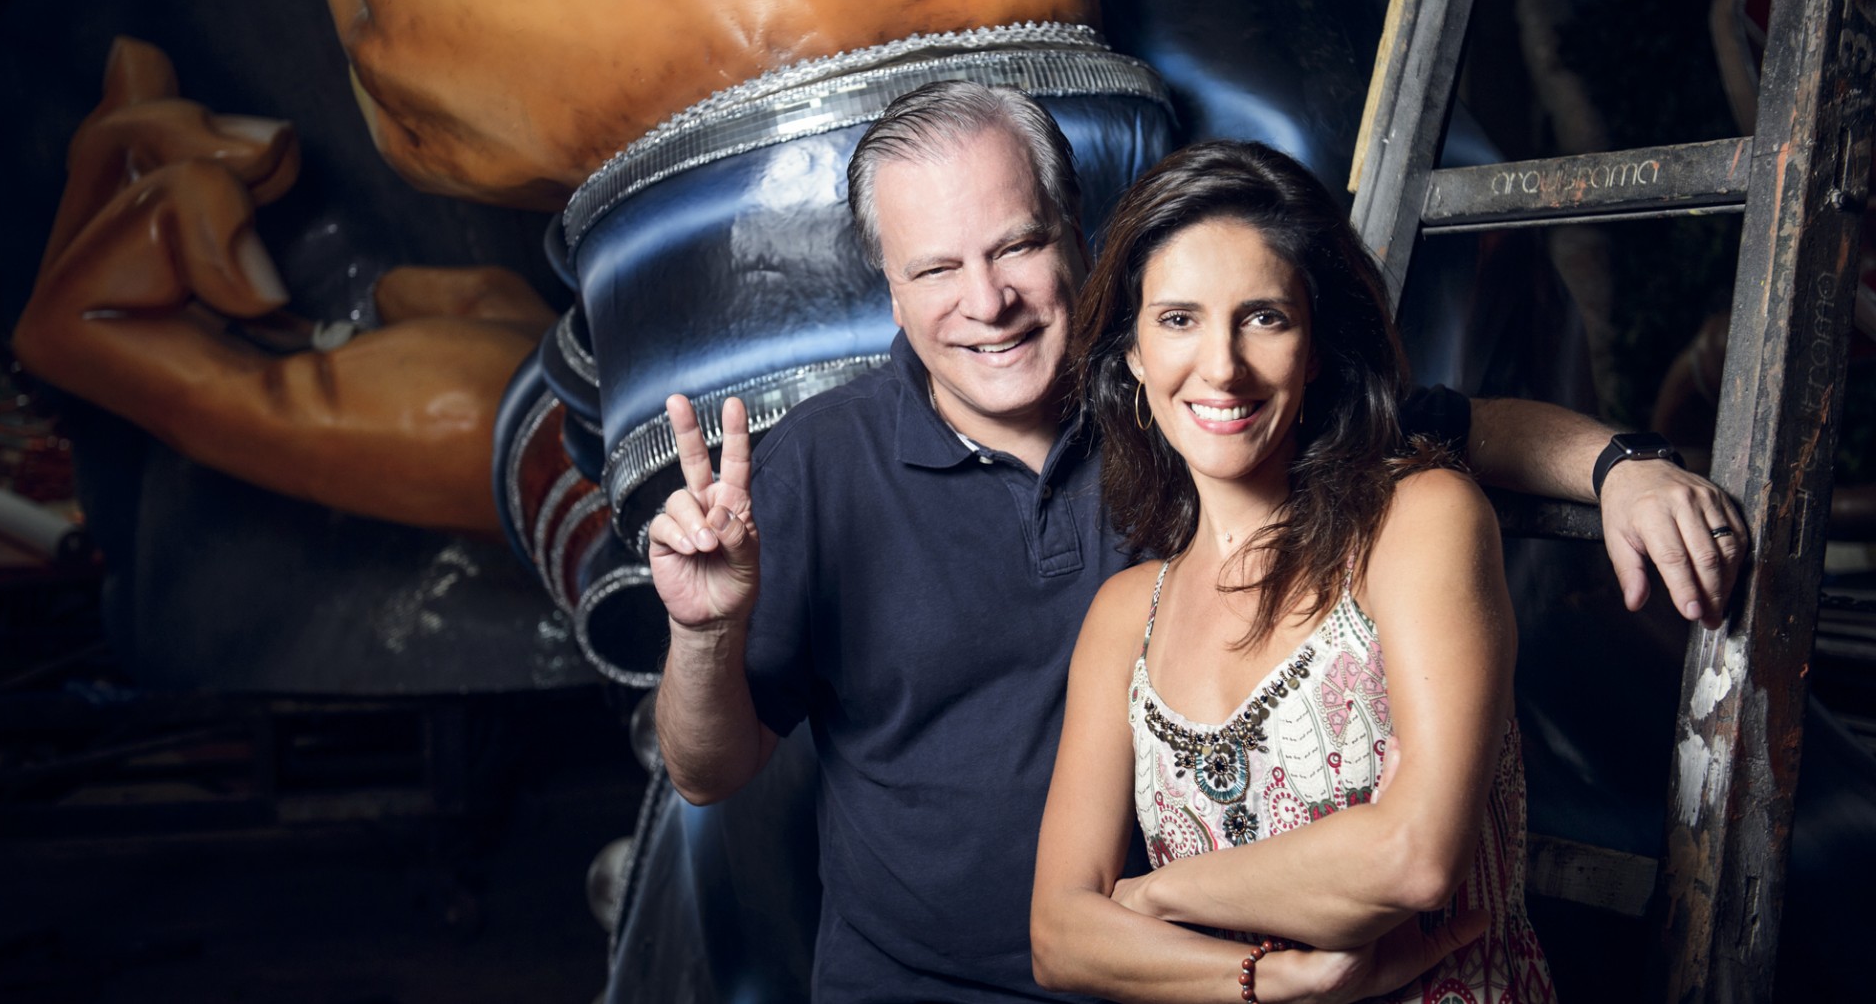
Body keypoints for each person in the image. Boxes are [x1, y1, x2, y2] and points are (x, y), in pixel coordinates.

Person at [648, 81, 1744, 1001]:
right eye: (935, 269)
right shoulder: (813, 468)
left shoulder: (1189, 407)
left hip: (1191, 975)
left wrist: (1620, 462)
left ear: (1075, 237)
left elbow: (1446, 426)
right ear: (886, 285)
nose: (987, 300)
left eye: (1019, 244)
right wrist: (703, 629)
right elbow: (711, 769)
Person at [1031, 140, 1556, 1001]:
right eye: (1177, 319)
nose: (1222, 365)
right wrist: (1276, 981)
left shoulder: (1417, 520)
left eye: (1264, 316)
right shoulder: (1126, 615)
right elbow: (1057, 935)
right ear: (1131, 355)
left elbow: (1417, 856)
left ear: (1315, 347)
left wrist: (1152, 895)